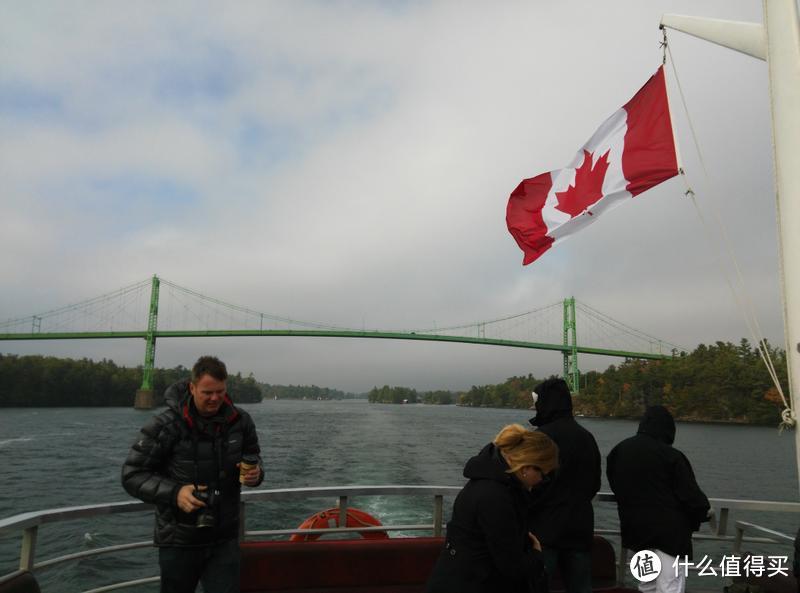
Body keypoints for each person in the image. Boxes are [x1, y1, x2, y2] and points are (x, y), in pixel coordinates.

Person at [122, 355, 264, 593]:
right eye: (207, 392)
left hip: (224, 538)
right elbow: (132, 475)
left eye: (220, 391)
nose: (215, 398)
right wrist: (176, 493)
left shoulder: (240, 421)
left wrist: (256, 474)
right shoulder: (165, 425)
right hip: (179, 540)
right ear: (192, 387)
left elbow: (254, 457)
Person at [426, 424, 559, 593]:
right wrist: (537, 555)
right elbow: (511, 566)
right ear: (526, 468)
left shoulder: (492, 481)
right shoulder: (496, 498)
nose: (542, 480)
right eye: (543, 474)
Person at [607, 405, 710, 593]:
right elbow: (691, 495)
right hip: (670, 536)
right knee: (670, 586)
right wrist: (704, 512)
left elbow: (615, 484)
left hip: (636, 530)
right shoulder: (672, 456)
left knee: (647, 585)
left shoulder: (619, 451)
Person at [528, 378, 602, 593]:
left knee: (538, 585)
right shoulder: (587, 437)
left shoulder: (540, 438)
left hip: (544, 531)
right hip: (580, 529)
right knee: (580, 587)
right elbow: (594, 484)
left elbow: (529, 485)